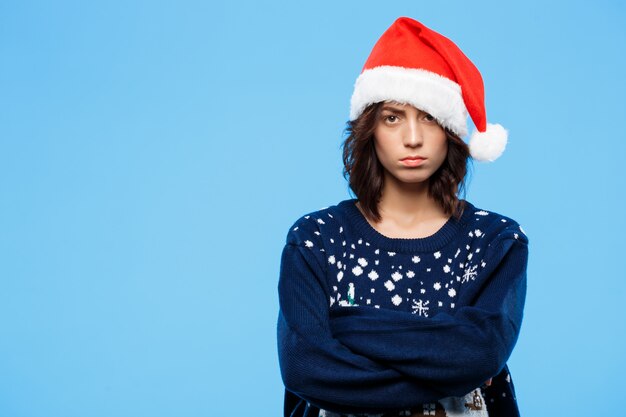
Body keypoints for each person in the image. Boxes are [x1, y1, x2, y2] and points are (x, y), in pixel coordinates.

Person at [276, 16, 530, 417]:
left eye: (428, 116)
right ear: (369, 130)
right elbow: (305, 368)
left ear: (450, 129)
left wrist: (344, 325)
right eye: (393, 117)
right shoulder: (316, 238)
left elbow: (481, 354)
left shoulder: (494, 240)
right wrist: (444, 359)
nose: (413, 137)